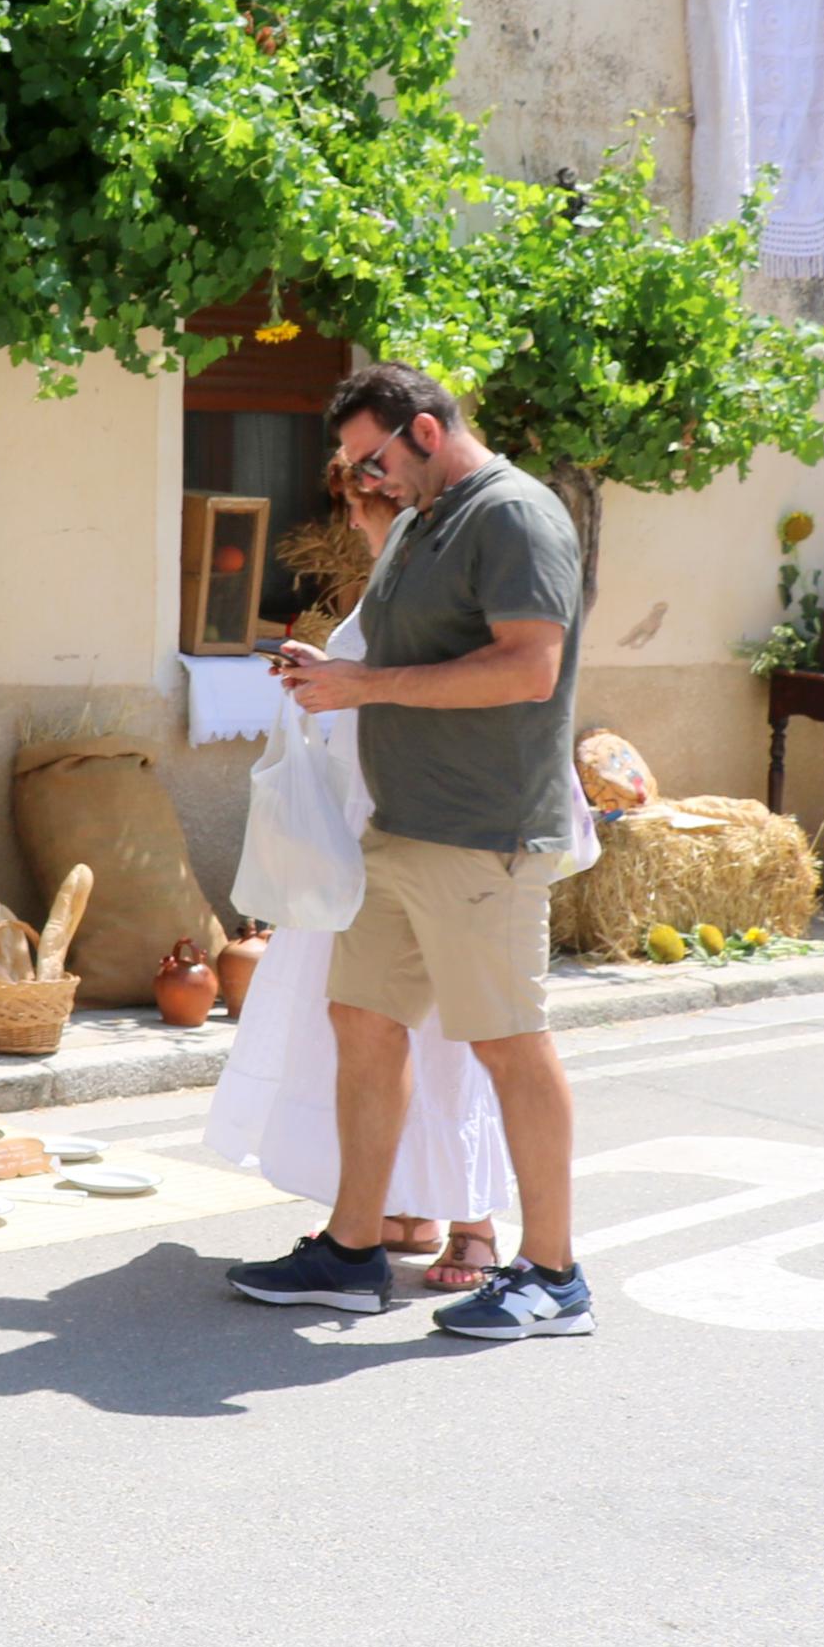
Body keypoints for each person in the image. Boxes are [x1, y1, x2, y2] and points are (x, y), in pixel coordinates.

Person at [244, 363, 595, 1339]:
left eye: (374, 457)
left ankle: (554, 1274)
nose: (366, 478)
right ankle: (352, 1252)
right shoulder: (422, 522)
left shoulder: (513, 516)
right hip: (398, 831)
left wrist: (365, 689)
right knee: (359, 1019)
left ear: (427, 433)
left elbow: (528, 667)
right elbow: (402, 656)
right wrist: (338, 676)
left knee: (507, 1045)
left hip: (481, 837)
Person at [204, 455, 533, 1290]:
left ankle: (476, 1224)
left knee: (449, 1034)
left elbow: (455, 693)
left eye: (358, 505)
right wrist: (318, 676)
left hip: (435, 830)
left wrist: (344, 684)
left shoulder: (450, 574)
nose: (349, 522)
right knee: (368, 1033)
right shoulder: (392, 577)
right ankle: (404, 1206)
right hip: (369, 834)